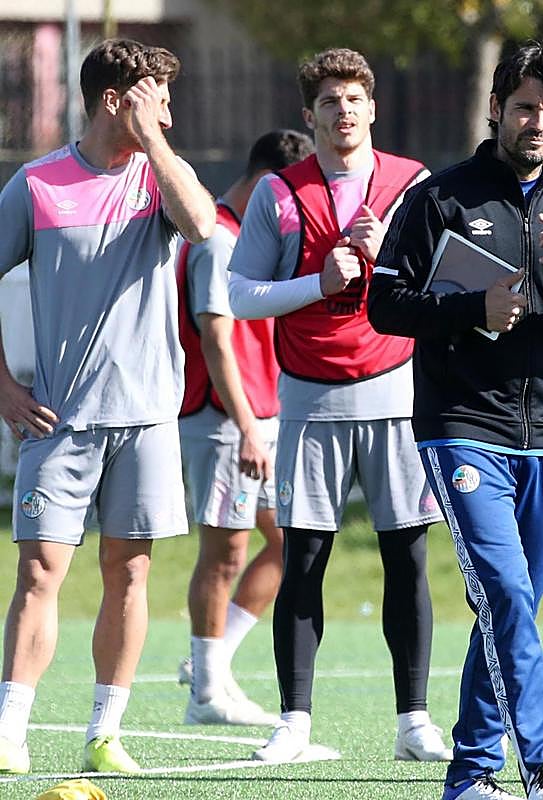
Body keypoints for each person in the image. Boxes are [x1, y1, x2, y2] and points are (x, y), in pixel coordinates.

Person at [368, 40, 543, 800]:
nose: (538, 123)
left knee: (507, 606)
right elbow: (384, 304)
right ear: (496, 109)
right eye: (524, 107)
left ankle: (470, 775)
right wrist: (472, 308)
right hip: (460, 425)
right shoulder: (441, 198)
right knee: (506, 595)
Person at [226, 48, 449, 764]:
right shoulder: (278, 193)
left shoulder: (413, 184)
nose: (343, 111)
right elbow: (241, 295)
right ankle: (294, 722)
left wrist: (392, 259)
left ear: (372, 109)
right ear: (309, 115)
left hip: (395, 395)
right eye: (329, 101)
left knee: (406, 558)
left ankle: (414, 723)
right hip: (309, 400)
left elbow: (447, 285)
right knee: (303, 560)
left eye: (354, 99)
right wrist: (319, 283)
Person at [0, 39, 215, 773]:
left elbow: (202, 226)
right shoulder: (37, 184)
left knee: (130, 572)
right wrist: (2, 387)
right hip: (59, 422)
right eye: (156, 101)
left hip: (148, 419)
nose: (169, 116)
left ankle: (104, 734)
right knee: (39, 573)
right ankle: (9, 733)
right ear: (114, 101)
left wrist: (154, 141)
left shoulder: (162, 176)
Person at [176, 129, 314, 727]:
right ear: (265, 182)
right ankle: (206, 694)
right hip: (225, 420)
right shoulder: (216, 239)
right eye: (286, 193)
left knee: (289, 541)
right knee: (225, 551)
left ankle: (209, 664)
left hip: (261, 413)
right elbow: (216, 340)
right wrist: (248, 427)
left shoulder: (248, 240)